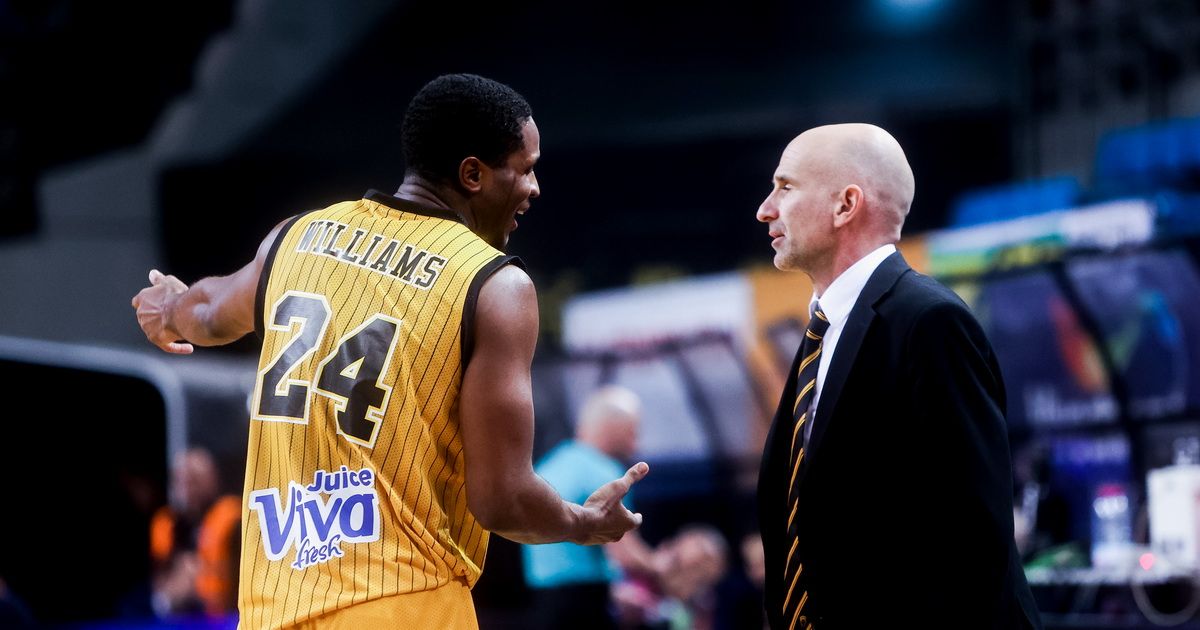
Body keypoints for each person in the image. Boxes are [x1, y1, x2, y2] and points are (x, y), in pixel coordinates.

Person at [132, 74, 649, 629]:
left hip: (274, 610)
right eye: (524, 169)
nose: (535, 187)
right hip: (407, 603)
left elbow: (210, 313)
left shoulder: (296, 237)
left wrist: (169, 307)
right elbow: (503, 500)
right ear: (472, 174)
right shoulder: (494, 286)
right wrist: (582, 522)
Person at [753, 124, 1041, 629]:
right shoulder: (823, 330)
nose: (765, 209)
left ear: (846, 205)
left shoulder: (930, 321)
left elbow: (973, 536)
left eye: (786, 187)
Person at [522, 385, 656, 630]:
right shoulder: (605, 472)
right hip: (586, 602)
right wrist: (660, 567)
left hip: (542, 601)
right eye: (632, 432)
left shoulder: (546, 466)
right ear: (612, 427)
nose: (635, 444)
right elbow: (625, 554)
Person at [149, 447, 241, 618]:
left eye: (194, 479)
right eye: (180, 481)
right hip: (178, 610)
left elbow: (240, 570)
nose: (187, 488)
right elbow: (159, 576)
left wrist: (202, 569)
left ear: (212, 478)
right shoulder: (167, 522)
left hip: (225, 611)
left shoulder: (232, 515)